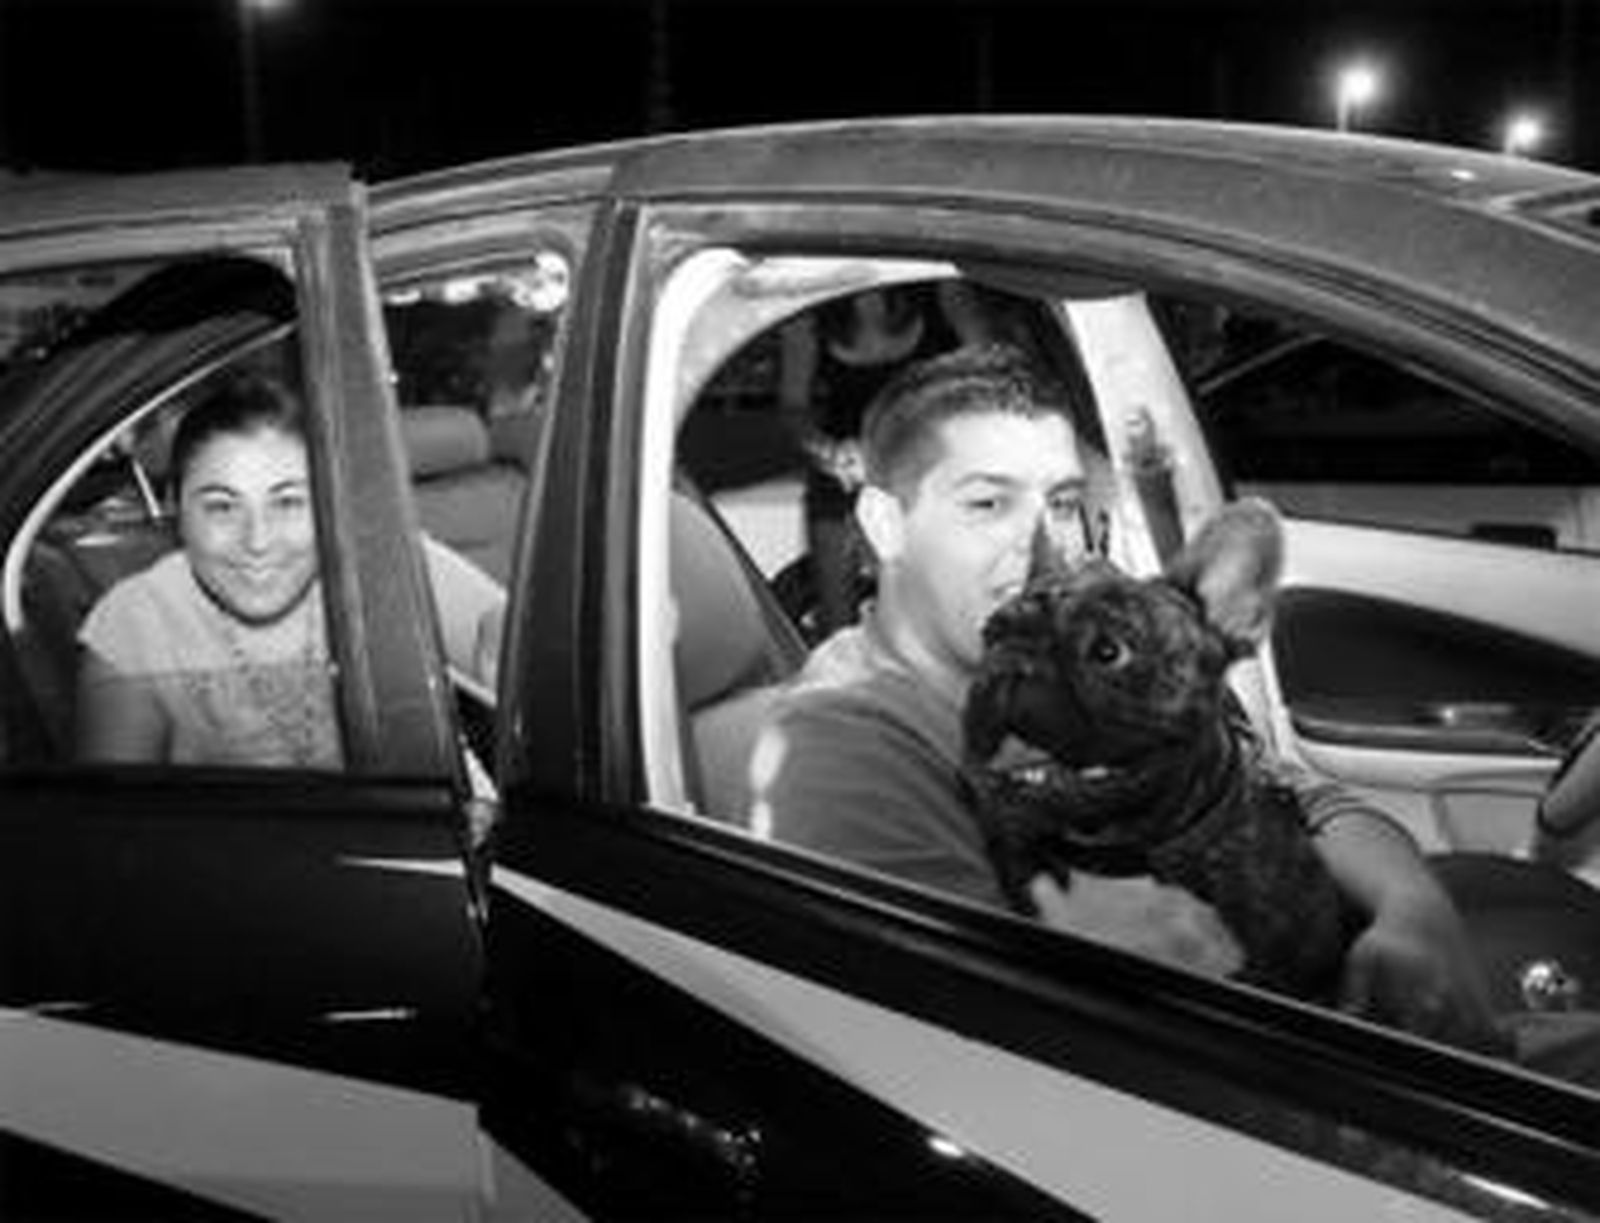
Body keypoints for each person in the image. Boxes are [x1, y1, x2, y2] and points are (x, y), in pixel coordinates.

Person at [750, 342, 1503, 1053]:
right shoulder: (843, 741)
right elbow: (966, 1036)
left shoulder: (1116, 649)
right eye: (987, 504)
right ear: (887, 524)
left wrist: (1414, 908)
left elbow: (1290, 789)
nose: (1040, 544)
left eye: (1065, 503)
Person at [76, 372, 503, 767]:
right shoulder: (136, 621)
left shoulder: (382, 567)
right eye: (221, 507)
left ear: (330, 504)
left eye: (288, 502)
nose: (258, 541)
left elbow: (507, 638)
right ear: (175, 510)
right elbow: (115, 829)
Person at [778, 283, 973, 636]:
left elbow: (993, 371)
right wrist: (828, 452)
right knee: (839, 628)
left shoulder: (941, 291)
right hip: (850, 472)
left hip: (933, 461)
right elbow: (793, 410)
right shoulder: (808, 314)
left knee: (943, 619)